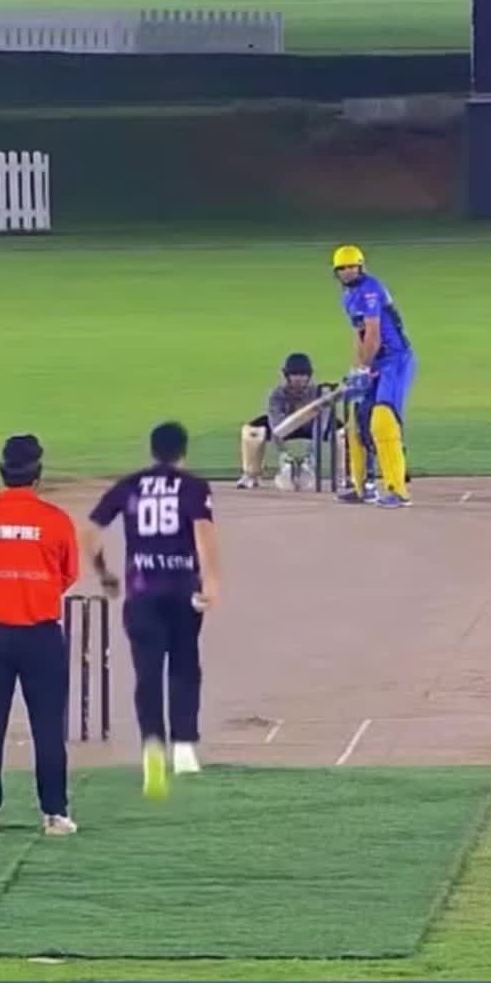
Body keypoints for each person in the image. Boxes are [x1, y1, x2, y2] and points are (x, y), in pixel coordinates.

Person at [82, 422, 219, 800]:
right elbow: (204, 534)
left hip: (141, 593)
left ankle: (152, 745)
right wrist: (211, 582)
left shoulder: (130, 485)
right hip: (182, 591)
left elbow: (90, 531)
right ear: (183, 452)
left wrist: (104, 573)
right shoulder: (193, 487)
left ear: (153, 450)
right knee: (185, 665)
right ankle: (185, 748)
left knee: (147, 671)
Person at [0, 435, 79, 838]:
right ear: (38, 475)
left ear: (1, 472)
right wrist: (34, 593)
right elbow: (68, 574)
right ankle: (55, 813)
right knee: (48, 728)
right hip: (42, 636)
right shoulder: (56, 520)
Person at [333, 245, 416, 508]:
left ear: (361, 267)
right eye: (342, 268)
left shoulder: (371, 289)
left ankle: (397, 490)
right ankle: (362, 488)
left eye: (352, 267)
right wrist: (357, 367)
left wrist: (363, 369)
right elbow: (359, 336)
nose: (348, 271)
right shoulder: (347, 297)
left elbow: (374, 335)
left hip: (396, 360)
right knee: (357, 422)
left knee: (383, 420)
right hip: (375, 362)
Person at [237, 353, 359, 493]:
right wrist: (284, 454)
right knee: (252, 431)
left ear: (309, 376)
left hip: (312, 426)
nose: (299, 379)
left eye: (303, 375)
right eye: (294, 375)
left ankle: (343, 477)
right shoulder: (277, 394)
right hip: (286, 427)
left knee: (342, 433)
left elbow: (321, 424)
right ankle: (251, 475)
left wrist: (311, 456)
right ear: (287, 376)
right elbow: (276, 425)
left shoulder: (319, 393)